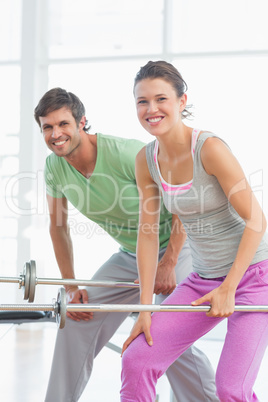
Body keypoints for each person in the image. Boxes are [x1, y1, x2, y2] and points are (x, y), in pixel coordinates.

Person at [34, 88, 218, 402]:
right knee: (78, 317)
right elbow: (59, 227)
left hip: (179, 247)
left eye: (63, 124)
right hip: (129, 255)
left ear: (82, 122)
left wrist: (169, 261)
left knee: (163, 334)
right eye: (47, 127)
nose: (56, 134)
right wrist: (70, 285)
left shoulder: (126, 154)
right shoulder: (54, 167)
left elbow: (183, 204)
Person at [120, 60, 268, 401]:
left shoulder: (209, 148)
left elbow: (257, 219)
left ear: (182, 101)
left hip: (254, 276)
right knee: (137, 359)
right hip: (203, 278)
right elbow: (146, 234)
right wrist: (145, 310)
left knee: (232, 389)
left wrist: (230, 286)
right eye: (142, 102)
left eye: (161, 99)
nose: (151, 109)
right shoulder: (146, 160)